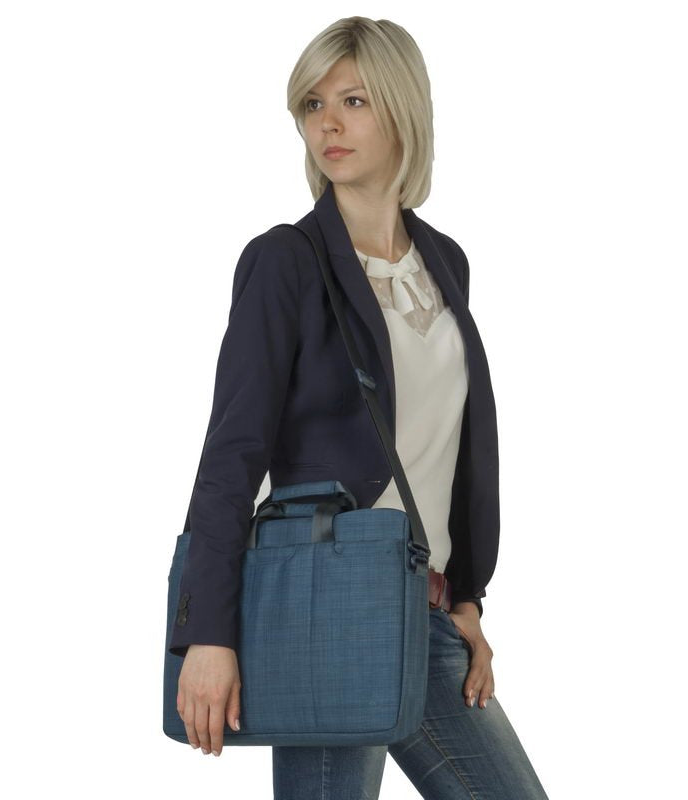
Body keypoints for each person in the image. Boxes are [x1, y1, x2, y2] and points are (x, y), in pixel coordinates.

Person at [168, 15, 550, 800]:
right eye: (312, 105)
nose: (328, 125)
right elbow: (232, 454)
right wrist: (209, 633)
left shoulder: (445, 263)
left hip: (425, 609)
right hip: (328, 602)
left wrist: (467, 596)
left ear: (403, 109)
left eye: (353, 101)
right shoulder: (286, 262)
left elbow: (454, 447)